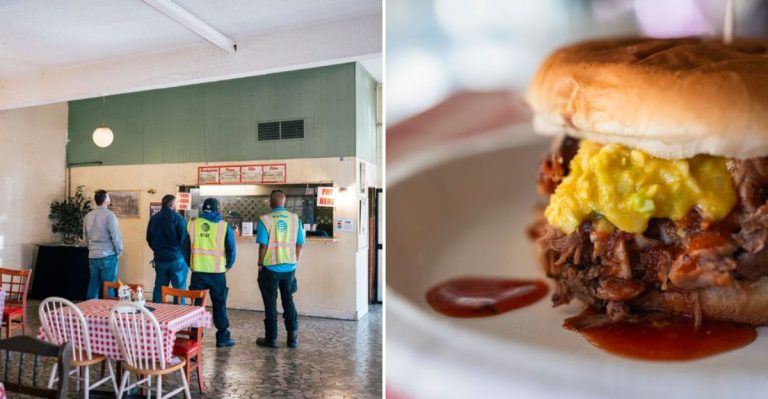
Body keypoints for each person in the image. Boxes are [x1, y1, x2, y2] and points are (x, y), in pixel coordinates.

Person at [183, 198, 236, 348]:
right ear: (217, 209)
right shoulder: (224, 227)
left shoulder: (192, 225)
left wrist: (191, 264)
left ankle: (195, 338)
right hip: (217, 273)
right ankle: (223, 338)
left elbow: (185, 248)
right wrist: (228, 265)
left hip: (198, 273)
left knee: (196, 306)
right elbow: (231, 249)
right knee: (220, 304)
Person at [256, 190, 304, 348]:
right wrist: (295, 261)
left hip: (270, 269)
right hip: (289, 268)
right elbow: (300, 244)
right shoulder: (295, 219)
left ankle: (272, 339)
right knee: (288, 301)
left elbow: (263, 246)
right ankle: (293, 339)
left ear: (271, 202)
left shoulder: (265, 219)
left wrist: (260, 263)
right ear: (284, 202)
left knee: (270, 304)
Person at [146, 194, 188, 303]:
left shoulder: (154, 219)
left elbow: (149, 238)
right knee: (178, 289)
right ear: (173, 204)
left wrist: (158, 250)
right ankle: (178, 316)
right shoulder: (178, 218)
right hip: (177, 259)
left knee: (159, 287)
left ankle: (156, 315)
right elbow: (185, 240)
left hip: (160, 259)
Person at [83, 189, 123, 299]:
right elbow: (116, 236)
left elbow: (85, 237)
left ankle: (90, 312)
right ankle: (109, 313)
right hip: (108, 255)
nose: (109, 198)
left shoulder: (88, 216)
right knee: (109, 286)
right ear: (105, 200)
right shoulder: (109, 215)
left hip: (92, 255)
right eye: (108, 197)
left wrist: (91, 249)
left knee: (93, 285)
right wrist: (119, 251)